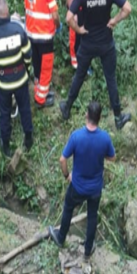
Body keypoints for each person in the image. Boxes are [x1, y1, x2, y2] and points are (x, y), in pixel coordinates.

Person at [59, 0, 132, 130]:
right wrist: (115, 20)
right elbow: (127, 8)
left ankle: (67, 108)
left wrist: (78, 30)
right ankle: (118, 117)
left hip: (88, 43)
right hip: (106, 43)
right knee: (110, 79)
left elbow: (69, 18)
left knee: (79, 75)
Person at [48, 101, 115, 261]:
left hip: (77, 186)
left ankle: (61, 237)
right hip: (95, 188)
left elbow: (62, 159)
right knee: (92, 216)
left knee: (68, 208)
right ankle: (87, 249)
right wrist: (101, 154)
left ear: (86, 115)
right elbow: (112, 157)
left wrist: (67, 175)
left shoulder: (76, 136)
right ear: (100, 118)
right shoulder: (105, 138)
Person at [0, 0, 33, 156]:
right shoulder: (18, 30)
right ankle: (28, 138)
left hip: (3, 83)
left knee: (4, 113)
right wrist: (27, 71)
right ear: (8, 11)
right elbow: (27, 56)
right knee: (24, 108)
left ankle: (5, 145)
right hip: (20, 79)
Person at [23, 0, 61, 108]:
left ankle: (38, 91)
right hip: (45, 36)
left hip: (31, 34)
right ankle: (41, 99)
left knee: (37, 64)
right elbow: (55, 14)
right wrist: (57, 26)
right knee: (46, 68)